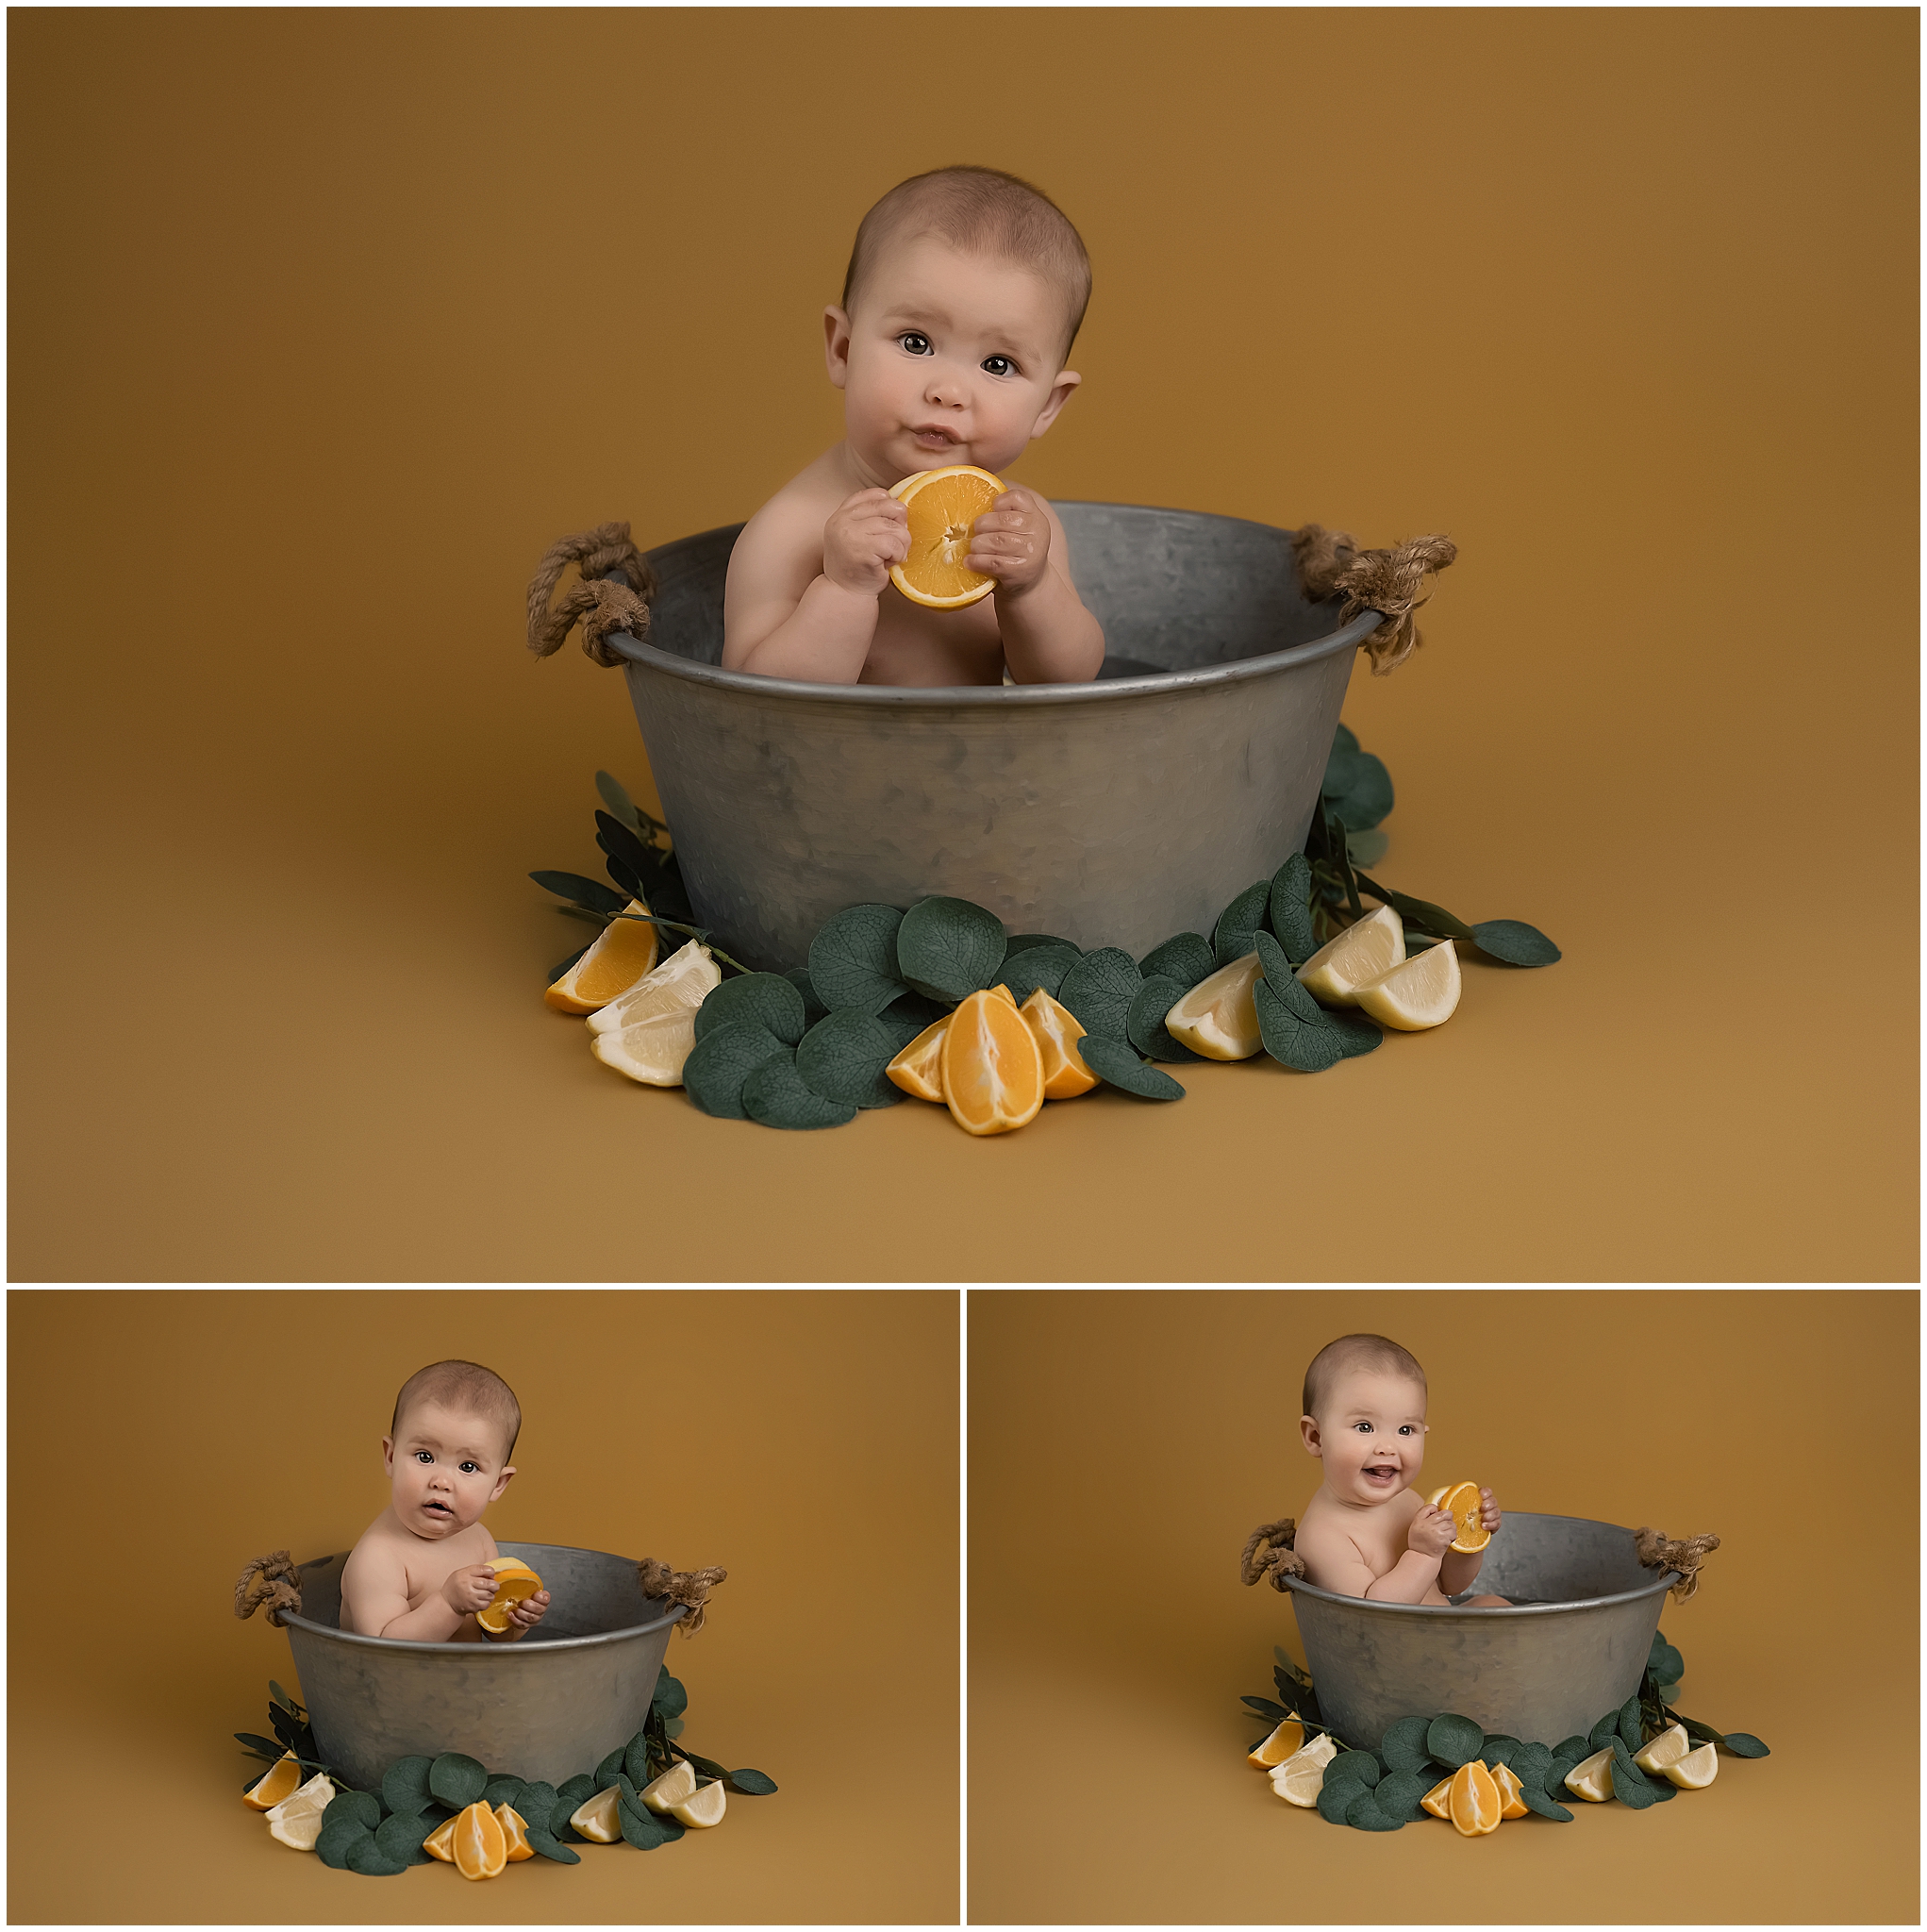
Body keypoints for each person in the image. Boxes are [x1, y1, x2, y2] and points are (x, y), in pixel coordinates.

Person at [723, 164, 1105, 688]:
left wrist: (1032, 589)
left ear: (1047, 406)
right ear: (844, 349)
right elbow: (749, 703)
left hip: (990, 769)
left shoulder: (1022, 529)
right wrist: (843, 589)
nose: (947, 392)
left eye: (998, 364)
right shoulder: (792, 529)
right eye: (915, 342)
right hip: (833, 770)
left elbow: (1068, 683)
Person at [340, 1358, 553, 1641]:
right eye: (424, 1457)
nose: (441, 1482)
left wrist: (516, 1619)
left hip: (464, 1684)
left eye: (468, 1467)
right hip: (388, 1686)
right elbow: (384, 1649)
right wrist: (448, 1604)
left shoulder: (479, 1541)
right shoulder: (379, 1557)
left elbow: (494, 1635)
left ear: (498, 1485)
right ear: (390, 1457)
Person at [1292, 1334, 1509, 1607]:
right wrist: (1424, 1555)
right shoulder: (1324, 1536)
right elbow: (1371, 1615)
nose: (1387, 1447)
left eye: (1405, 1430)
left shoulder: (1407, 1500)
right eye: (1364, 1427)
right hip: (1395, 1648)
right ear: (1315, 1437)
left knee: (1491, 1603)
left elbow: (1449, 1585)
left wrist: (1470, 1539)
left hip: (1446, 1634)